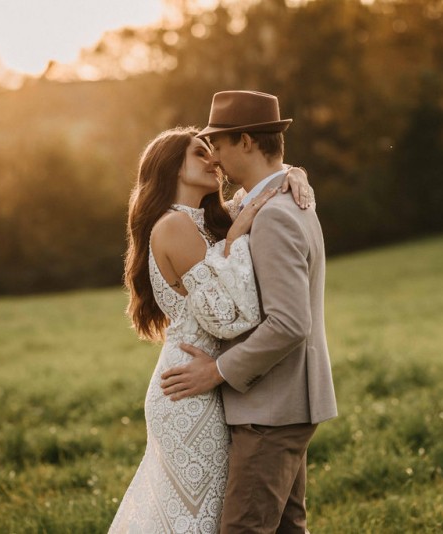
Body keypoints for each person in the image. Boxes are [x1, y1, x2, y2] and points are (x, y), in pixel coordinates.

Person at [109, 125, 313, 533]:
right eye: (199, 153)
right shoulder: (174, 226)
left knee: (218, 514)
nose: (214, 159)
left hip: (209, 384)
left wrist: (295, 173)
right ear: (173, 168)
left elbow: (264, 186)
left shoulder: (204, 221)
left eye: (213, 151)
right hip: (190, 392)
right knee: (201, 519)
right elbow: (228, 318)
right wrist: (236, 239)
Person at [160, 91, 338, 533]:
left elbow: (290, 323)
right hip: (281, 405)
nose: (214, 158)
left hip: (270, 408)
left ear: (244, 141)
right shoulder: (268, 198)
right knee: (286, 528)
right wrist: (294, 172)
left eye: (217, 144)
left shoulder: (275, 213)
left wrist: (216, 371)